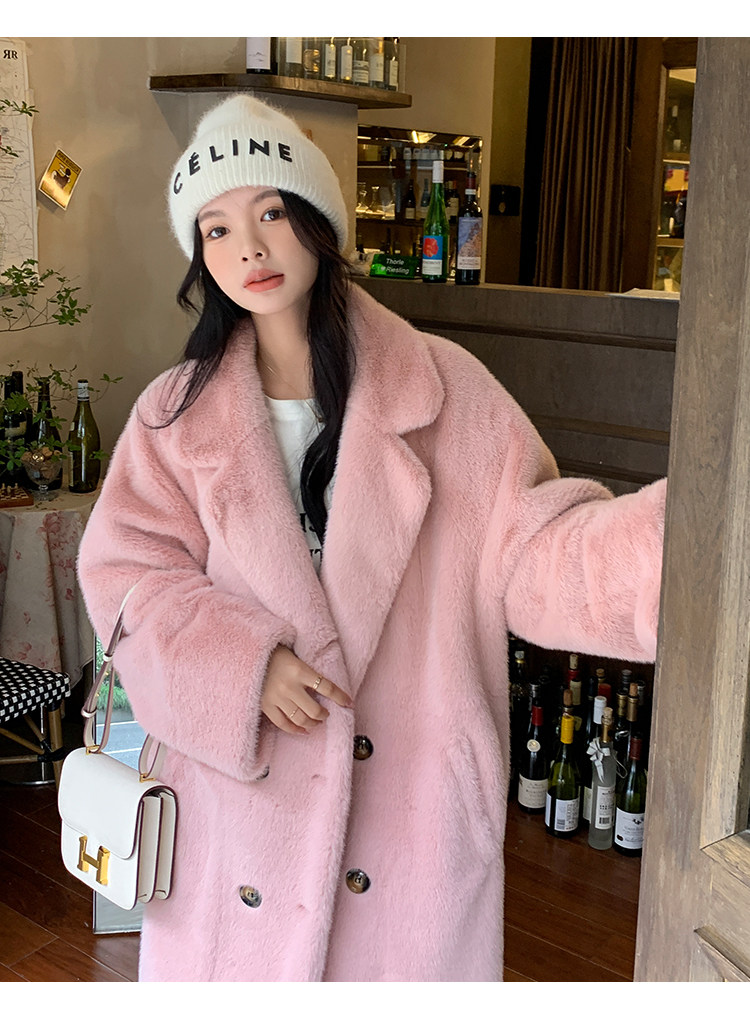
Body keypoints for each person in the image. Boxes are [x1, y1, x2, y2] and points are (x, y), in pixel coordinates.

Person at [77, 95, 666, 983]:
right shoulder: (175, 414)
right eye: (217, 229)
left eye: (271, 213)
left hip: (408, 827)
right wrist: (242, 666)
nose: (249, 249)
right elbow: (127, 575)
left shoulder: (445, 390)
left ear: (317, 219)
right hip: (235, 828)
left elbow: (538, 548)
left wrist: (682, 547)